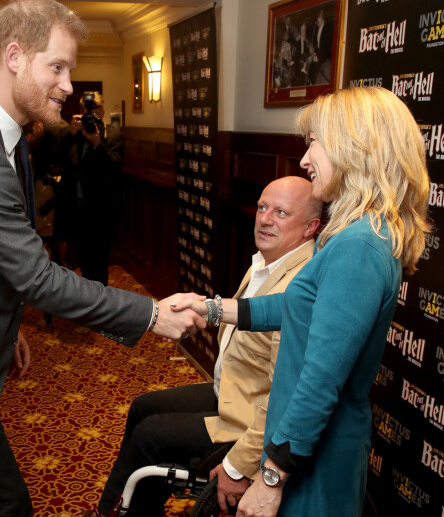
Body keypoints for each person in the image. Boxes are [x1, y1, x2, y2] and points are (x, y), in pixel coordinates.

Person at [0, 0, 205, 517]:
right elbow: (36, 275)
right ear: (14, 57)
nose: (68, 85)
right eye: (57, 66)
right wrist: (150, 313)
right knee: (8, 504)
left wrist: (6, 330)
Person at [172, 86, 431, 516]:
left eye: (316, 143)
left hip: (315, 465)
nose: (306, 158)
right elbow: (296, 305)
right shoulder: (359, 235)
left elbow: (320, 379)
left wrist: (271, 477)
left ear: (355, 148)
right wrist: (214, 309)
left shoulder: (359, 247)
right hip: (307, 452)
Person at [86, 176, 322, 517]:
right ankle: (116, 508)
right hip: (232, 391)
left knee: (148, 435)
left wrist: (239, 465)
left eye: (281, 212)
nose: (265, 218)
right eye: (262, 207)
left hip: (250, 421)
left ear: (310, 226)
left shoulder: (299, 284)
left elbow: (285, 400)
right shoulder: (269, 262)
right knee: (142, 407)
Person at [50, 90, 123, 285]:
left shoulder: (112, 135)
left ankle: (102, 307)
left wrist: (98, 144)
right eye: (87, 111)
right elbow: (55, 161)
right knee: (83, 264)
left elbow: (115, 167)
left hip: (100, 214)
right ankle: (91, 306)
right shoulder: (74, 135)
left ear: (103, 110)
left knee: (100, 266)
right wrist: (70, 134)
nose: (92, 115)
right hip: (76, 213)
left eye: (96, 110)